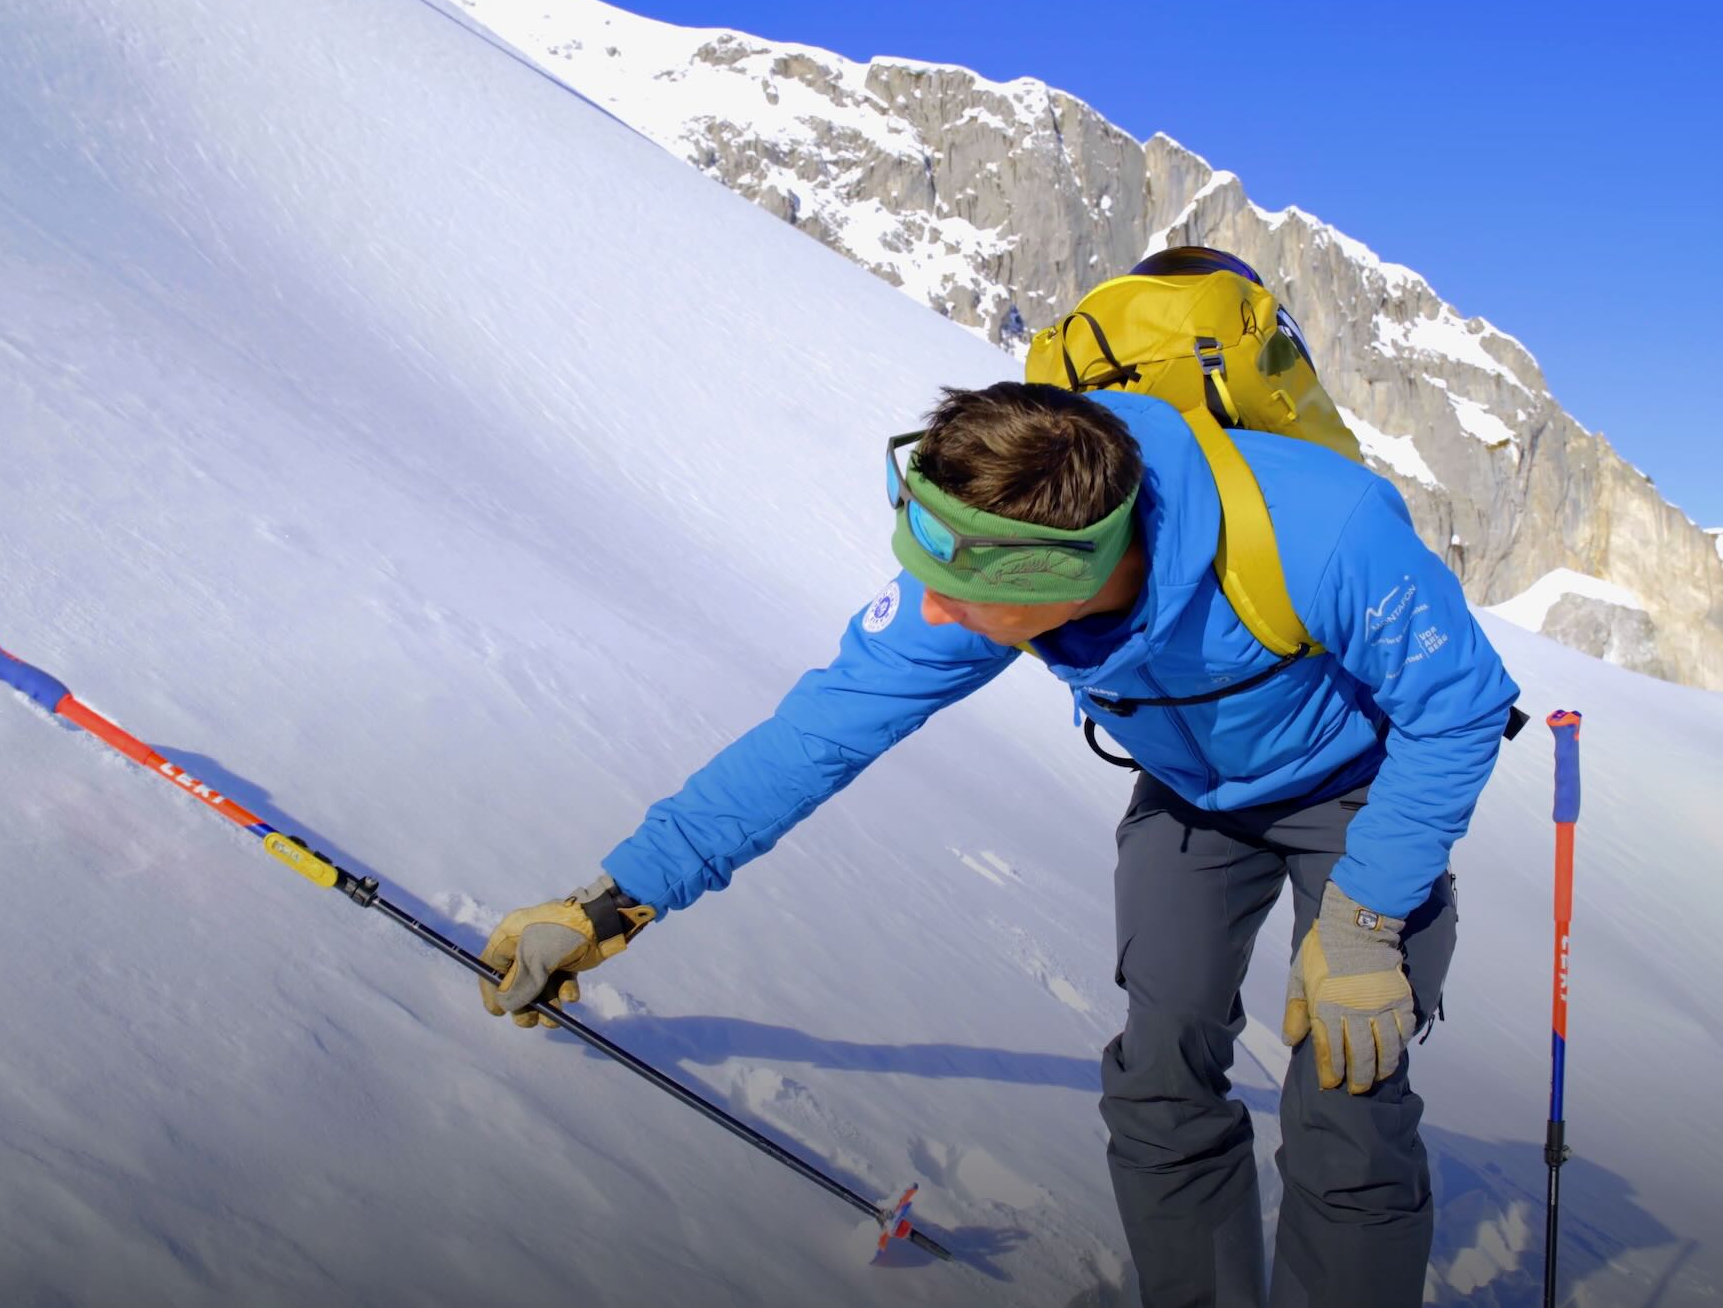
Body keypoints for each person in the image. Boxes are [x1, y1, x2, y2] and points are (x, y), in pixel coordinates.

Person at [478, 379, 1520, 1307]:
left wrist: (1364, 920)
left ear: (1067, 579)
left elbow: (1458, 709)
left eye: (960, 593)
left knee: (1346, 1088)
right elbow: (819, 732)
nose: (929, 609)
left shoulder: (1321, 528)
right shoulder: (985, 543)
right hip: (1192, 796)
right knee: (1158, 1077)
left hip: (1365, 797)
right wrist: (613, 900)